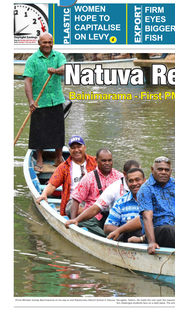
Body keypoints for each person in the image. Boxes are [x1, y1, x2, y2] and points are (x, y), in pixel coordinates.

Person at [23, 33, 66, 171]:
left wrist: (56, 70)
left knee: (58, 130)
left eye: (49, 42)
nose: (47, 45)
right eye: (44, 42)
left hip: (56, 100)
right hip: (39, 101)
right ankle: (39, 159)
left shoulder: (58, 56)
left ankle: (58, 158)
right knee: (38, 131)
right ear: (39, 43)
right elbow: (28, 81)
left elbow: (64, 69)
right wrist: (31, 101)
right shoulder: (32, 60)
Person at [64, 159, 140, 229]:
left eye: (138, 178)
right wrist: (76, 220)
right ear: (125, 175)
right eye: (132, 178)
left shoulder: (145, 187)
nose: (135, 183)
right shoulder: (114, 188)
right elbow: (95, 208)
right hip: (116, 223)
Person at [65, 148, 123, 237]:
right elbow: (76, 199)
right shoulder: (89, 178)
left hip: (114, 215)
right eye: (103, 161)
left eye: (109, 160)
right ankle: (106, 237)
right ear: (96, 160)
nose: (107, 163)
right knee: (83, 222)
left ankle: (111, 234)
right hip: (94, 216)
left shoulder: (120, 177)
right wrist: (73, 220)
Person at [36, 135, 97, 216]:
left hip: (94, 199)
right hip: (73, 201)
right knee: (79, 210)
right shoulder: (64, 167)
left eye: (79, 147)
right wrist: (44, 194)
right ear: (70, 150)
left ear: (84, 148)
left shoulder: (94, 162)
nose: (76, 150)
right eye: (73, 148)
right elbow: (52, 184)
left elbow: (109, 175)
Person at [104, 168, 146, 242]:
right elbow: (107, 227)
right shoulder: (121, 202)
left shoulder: (154, 200)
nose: (134, 183)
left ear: (144, 180)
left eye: (137, 180)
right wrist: (127, 230)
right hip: (129, 241)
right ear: (126, 183)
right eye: (131, 181)